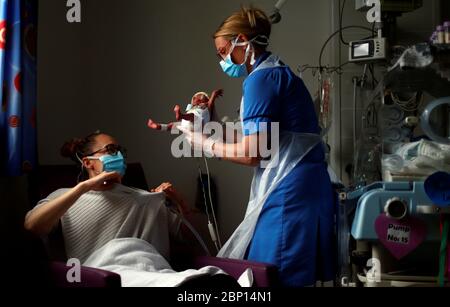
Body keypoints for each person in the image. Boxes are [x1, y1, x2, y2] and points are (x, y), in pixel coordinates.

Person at [181, 7, 336, 287]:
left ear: (242, 40)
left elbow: (255, 152)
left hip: (289, 190)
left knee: (275, 276)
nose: (221, 59)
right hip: (304, 184)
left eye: (223, 50)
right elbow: (264, 136)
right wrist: (210, 125)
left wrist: (204, 143)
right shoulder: (276, 72)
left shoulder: (260, 80)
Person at [23, 132, 239, 287]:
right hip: (104, 273)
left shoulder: (145, 198)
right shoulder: (66, 197)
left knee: (212, 279)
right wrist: (84, 188)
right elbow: (32, 226)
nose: (119, 156)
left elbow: (195, 243)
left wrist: (180, 204)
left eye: (120, 151)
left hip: (153, 269)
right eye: (111, 150)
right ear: (88, 163)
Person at [147, 89, 223, 132]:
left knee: (192, 117)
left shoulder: (206, 107)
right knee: (172, 125)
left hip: (196, 124)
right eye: (195, 98)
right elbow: (211, 100)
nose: (196, 99)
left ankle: (181, 115)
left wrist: (214, 94)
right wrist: (214, 94)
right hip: (189, 124)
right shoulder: (194, 109)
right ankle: (158, 126)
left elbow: (211, 101)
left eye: (200, 98)